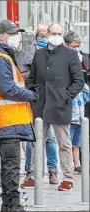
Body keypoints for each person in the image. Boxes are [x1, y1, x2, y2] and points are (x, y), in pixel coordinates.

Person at [0, 20, 37, 211]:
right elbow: (7, 89)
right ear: (2, 36)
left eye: (18, 33)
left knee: (10, 165)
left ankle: (8, 203)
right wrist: (31, 95)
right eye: (13, 33)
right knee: (12, 166)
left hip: (8, 119)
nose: (18, 36)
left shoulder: (4, 56)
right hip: (6, 120)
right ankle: (12, 204)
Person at [26, 24, 84, 191]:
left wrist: (66, 96)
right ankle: (36, 175)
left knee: (64, 143)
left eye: (59, 33)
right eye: (53, 33)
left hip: (60, 106)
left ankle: (67, 178)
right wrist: (34, 94)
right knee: (37, 142)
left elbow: (79, 81)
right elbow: (31, 79)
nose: (56, 36)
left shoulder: (70, 55)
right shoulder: (39, 54)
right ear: (47, 34)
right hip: (41, 105)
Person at [19, 24, 59, 187]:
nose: (43, 38)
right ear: (36, 37)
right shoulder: (30, 52)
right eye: (40, 35)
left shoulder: (57, 52)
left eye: (46, 35)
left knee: (50, 137)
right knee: (33, 138)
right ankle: (31, 171)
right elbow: (25, 73)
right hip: (36, 99)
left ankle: (53, 171)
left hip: (52, 99)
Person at [64, 30, 90, 173]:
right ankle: (69, 166)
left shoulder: (83, 60)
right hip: (69, 108)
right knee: (67, 141)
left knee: (77, 142)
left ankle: (78, 164)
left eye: (78, 45)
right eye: (74, 45)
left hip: (80, 110)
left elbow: (85, 86)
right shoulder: (63, 59)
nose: (77, 48)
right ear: (67, 45)